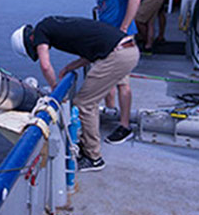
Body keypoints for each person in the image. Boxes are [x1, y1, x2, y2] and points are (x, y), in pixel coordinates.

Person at [11, 16, 140, 171]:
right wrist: (69, 67)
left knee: (84, 104)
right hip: (127, 49)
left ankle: (94, 158)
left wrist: (54, 88)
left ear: (30, 40)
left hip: (117, 55)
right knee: (88, 99)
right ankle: (87, 144)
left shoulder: (41, 31)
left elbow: (45, 66)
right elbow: (91, 52)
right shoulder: (54, 23)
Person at [67, 0, 140, 145]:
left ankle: (125, 126)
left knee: (123, 83)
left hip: (120, 39)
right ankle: (110, 111)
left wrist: (123, 29)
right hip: (108, 40)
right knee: (108, 80)